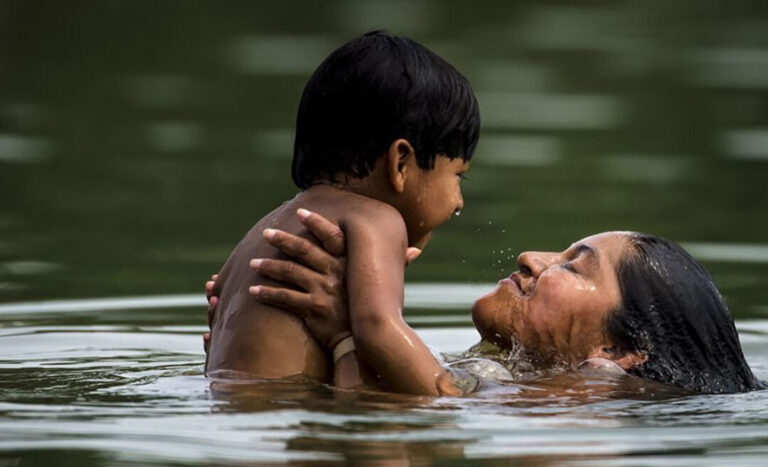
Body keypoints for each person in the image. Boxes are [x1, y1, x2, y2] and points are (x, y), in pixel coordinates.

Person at [207, 212, 763, 395]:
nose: (530, 257)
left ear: (617, 349)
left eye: (573, 264)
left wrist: (346, 332)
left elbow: (376, 429)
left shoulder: (574, 411)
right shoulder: (516, 384)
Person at [205, 30, 480, 396]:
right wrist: (446, 391)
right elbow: (377, 328)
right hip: (291, 424)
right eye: (458, 176)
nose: (459, 201)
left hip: (228, 420)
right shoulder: (378, 220)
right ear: (400, 163)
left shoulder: (263, 230)